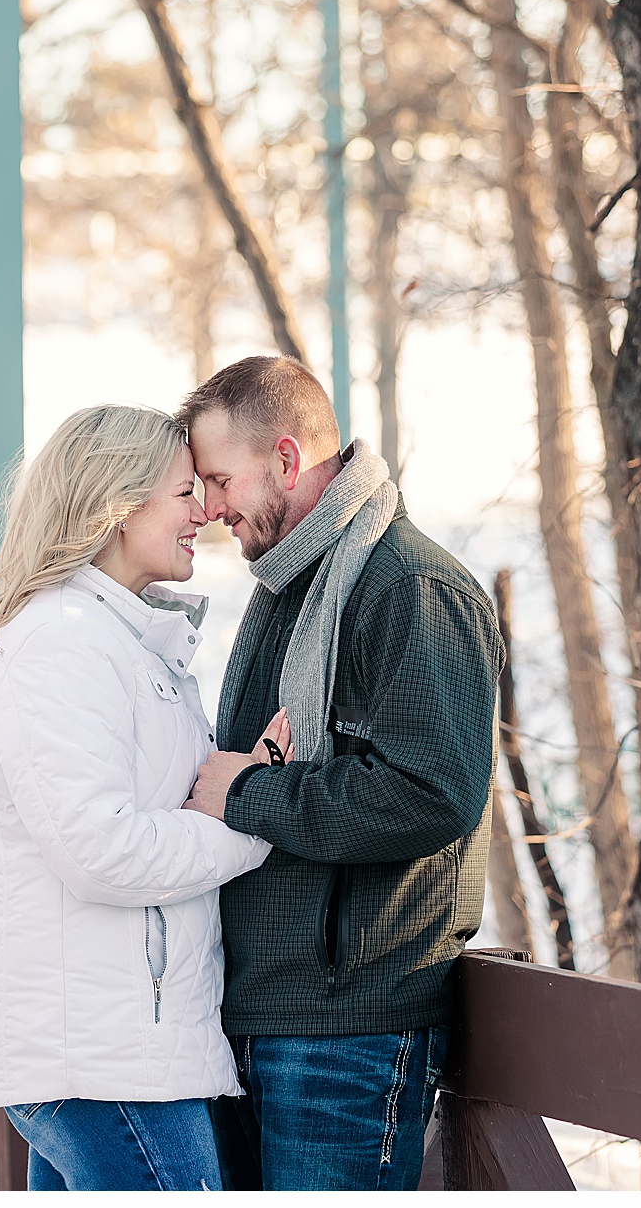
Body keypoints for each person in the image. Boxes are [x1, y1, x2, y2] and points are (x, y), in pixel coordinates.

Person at [178, 355, 502, 1191]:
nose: (210, 508)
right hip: (257, 1011)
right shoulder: (291, 585)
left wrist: (249, 793)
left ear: (286, 460)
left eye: (219, 479)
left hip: (348, 1032)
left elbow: (432, 793)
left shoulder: (412, 590)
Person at [0, 404, 288, 1191]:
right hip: (102, 1064)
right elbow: (103, 852)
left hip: (118, 1055)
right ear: (116, 504)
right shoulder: (62, 644)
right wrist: (252, 817)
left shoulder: (120, 642)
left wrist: (233, 788)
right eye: (181, 493)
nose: (203, 511)